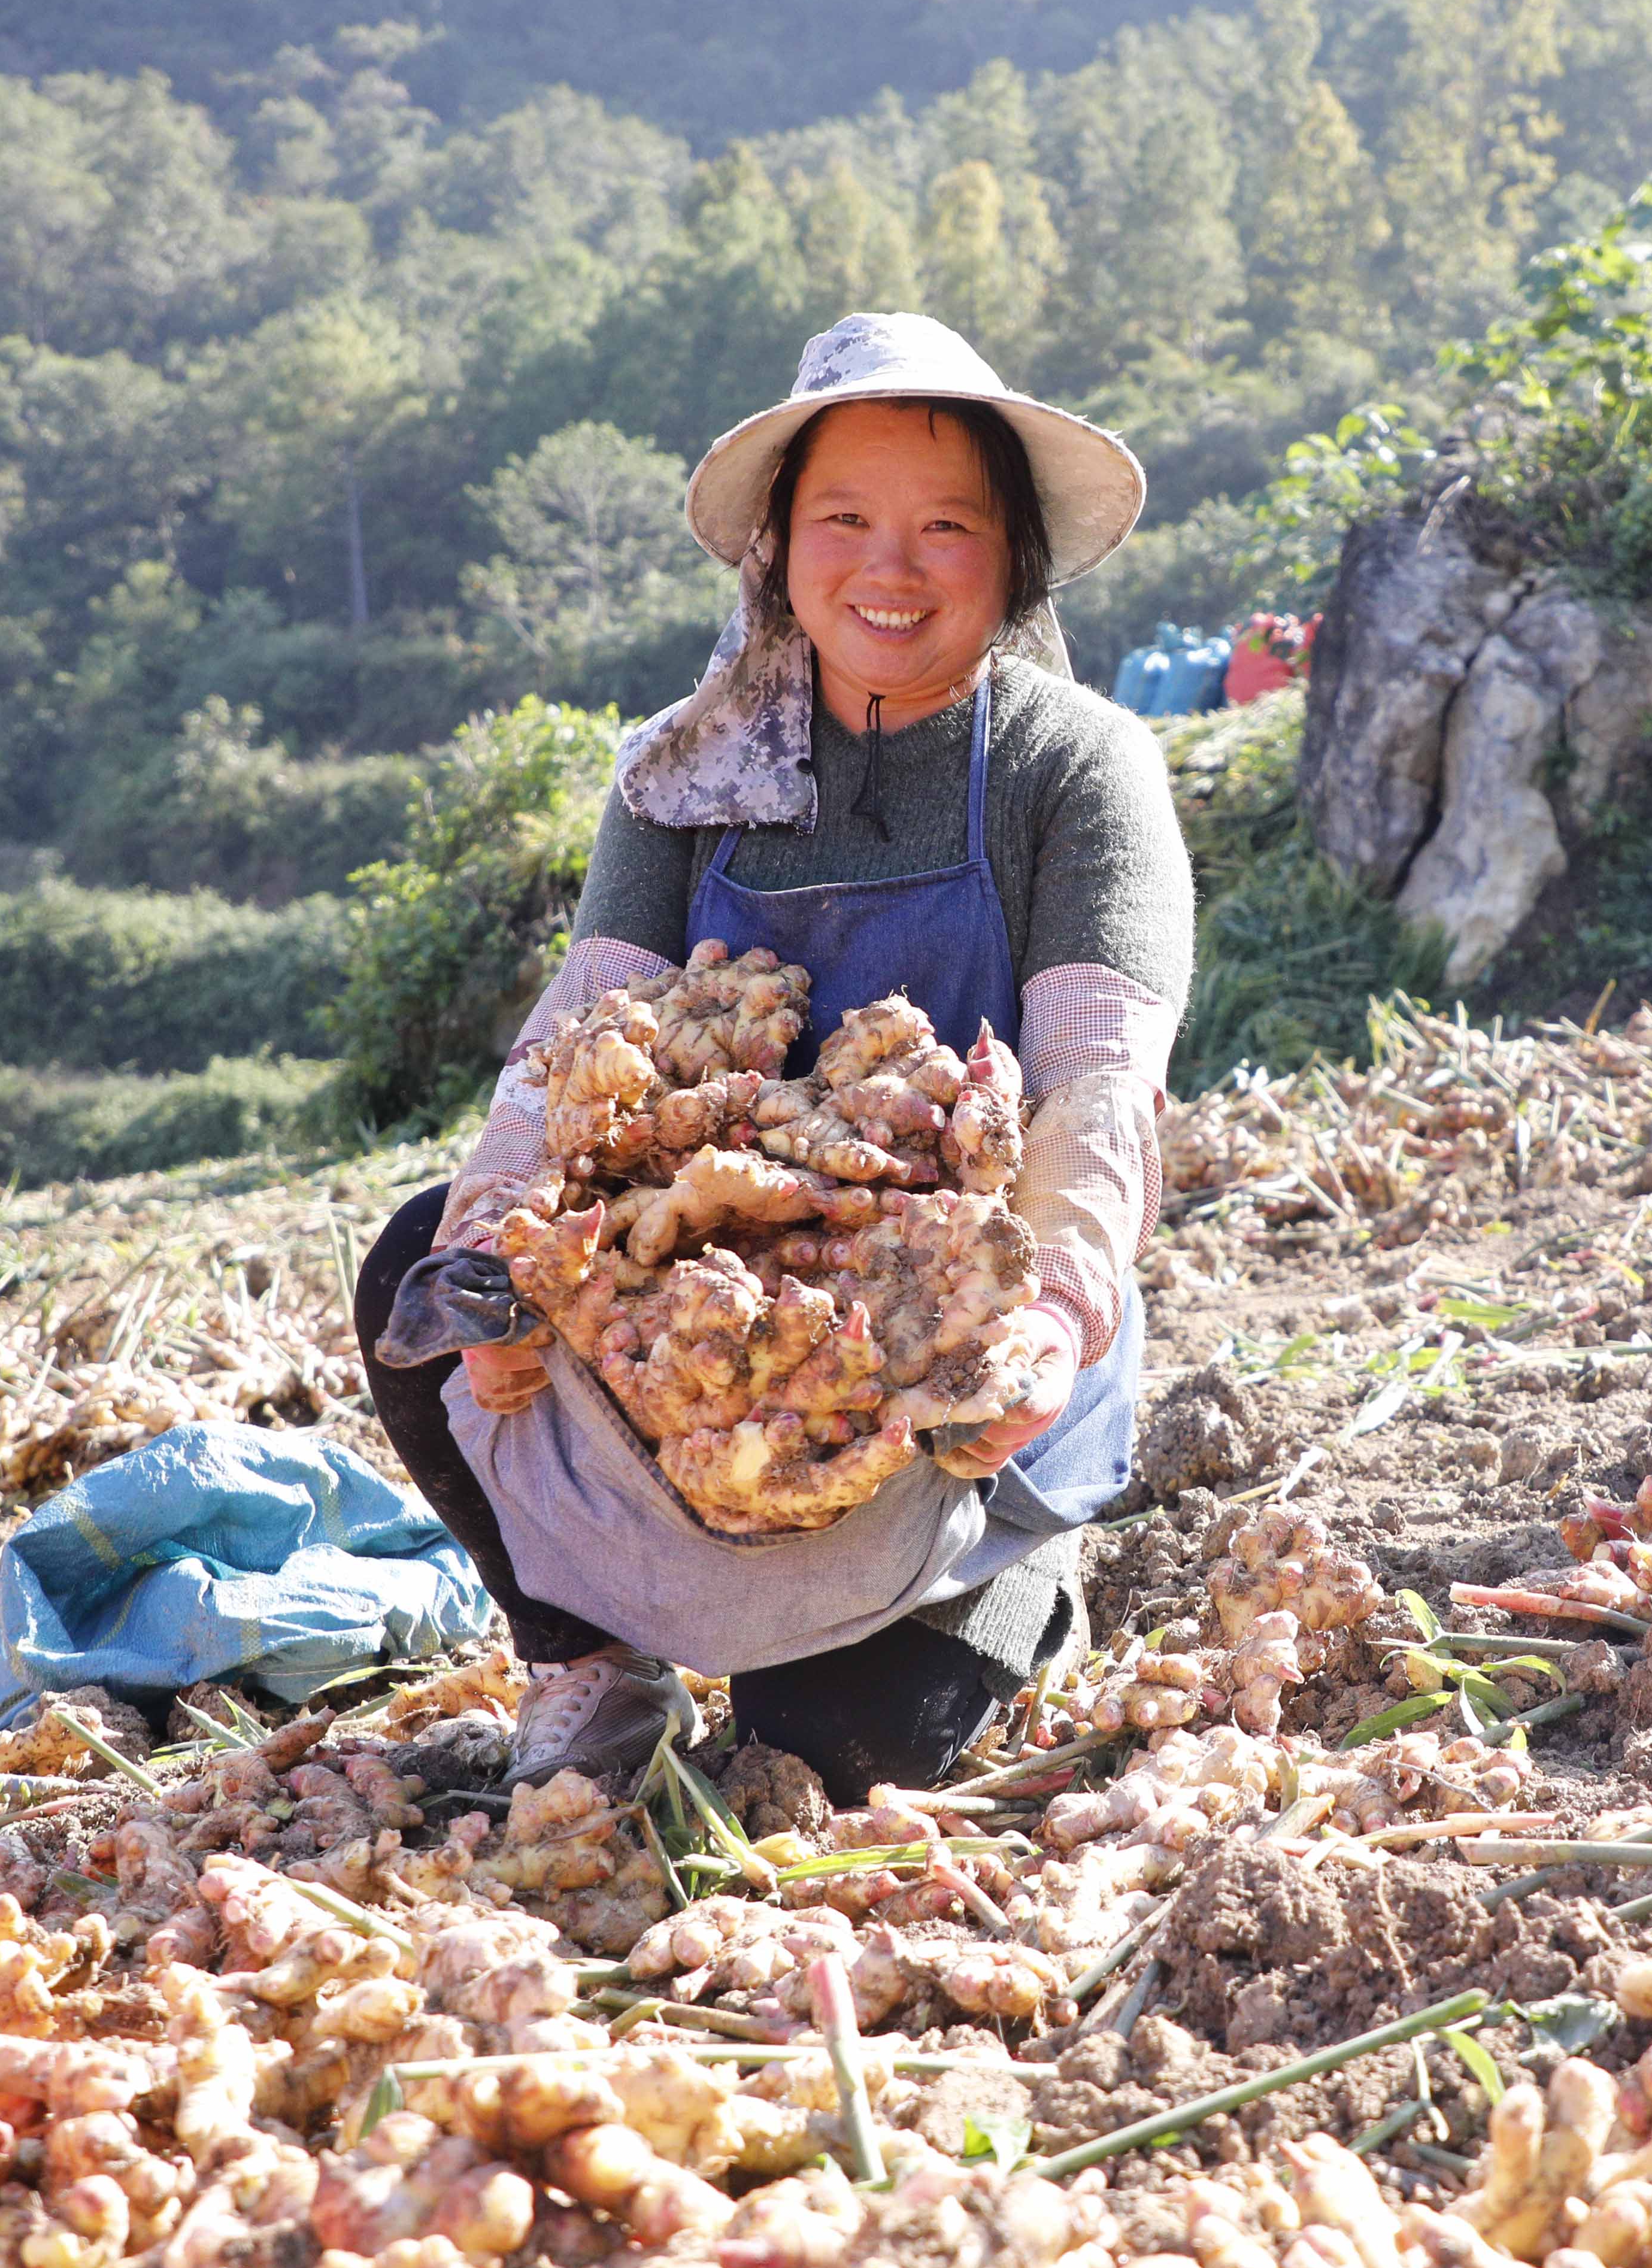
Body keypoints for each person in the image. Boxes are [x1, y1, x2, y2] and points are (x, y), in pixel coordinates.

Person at [352, 312, 1192, 1805]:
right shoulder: (688, 775)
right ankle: (592, 1651)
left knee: (840, 1758)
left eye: (948, 526)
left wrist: (1046, 1319)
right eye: (848, 519)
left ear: (1012, 559)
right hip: (708, 1319)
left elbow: (1097, 1080)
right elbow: (575, 1034)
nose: (893, 565)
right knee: (419, 1269)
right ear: (781, 547)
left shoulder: (1078, 766)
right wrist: (496, 1245)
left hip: (951, 1341)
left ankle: (1023, 1577)